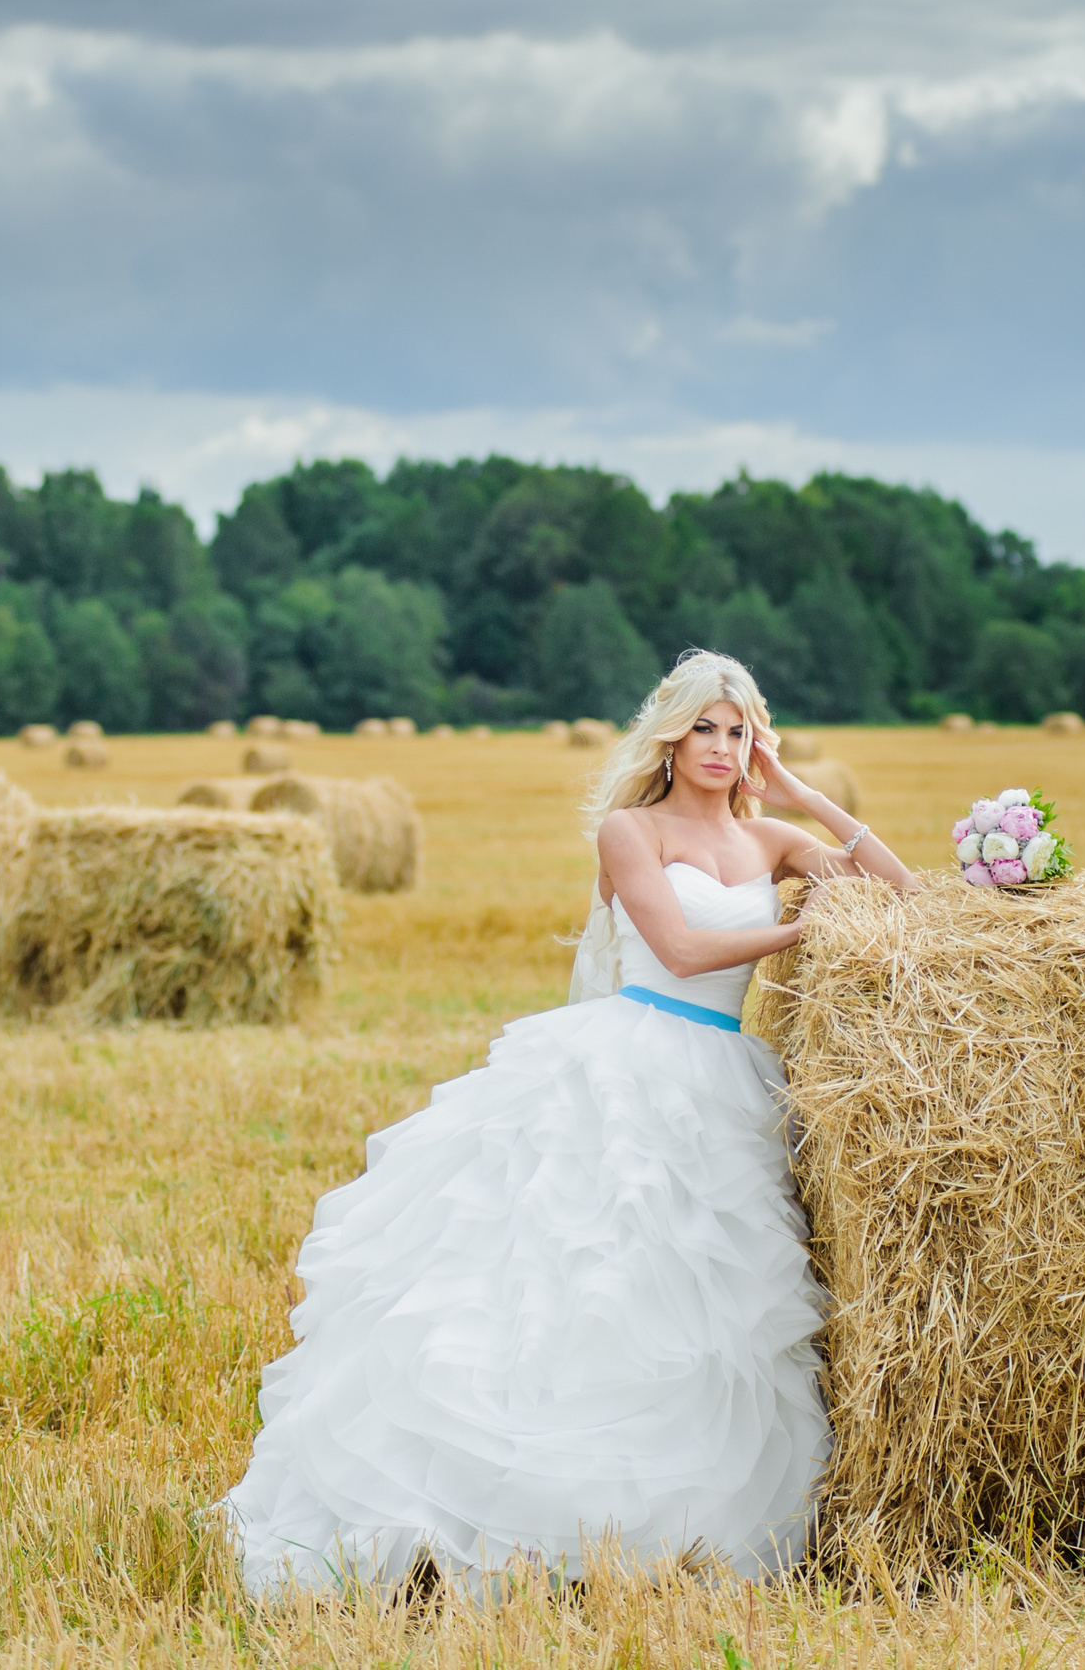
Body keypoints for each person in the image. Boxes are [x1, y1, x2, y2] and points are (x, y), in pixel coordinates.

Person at [214, 650, 915, 1597]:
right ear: (670, 737)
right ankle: (513, 1518)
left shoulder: (772, 841)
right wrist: (801, 930)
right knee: (579, 1280)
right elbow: (678, 945)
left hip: (724, 1080)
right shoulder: (631, 830)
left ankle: (659, 1529)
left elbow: (902, 894)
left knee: (700, 1306)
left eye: (738, 729)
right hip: (630, 1061)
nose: (720, 745)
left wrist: (799, 793)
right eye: (703, 727)